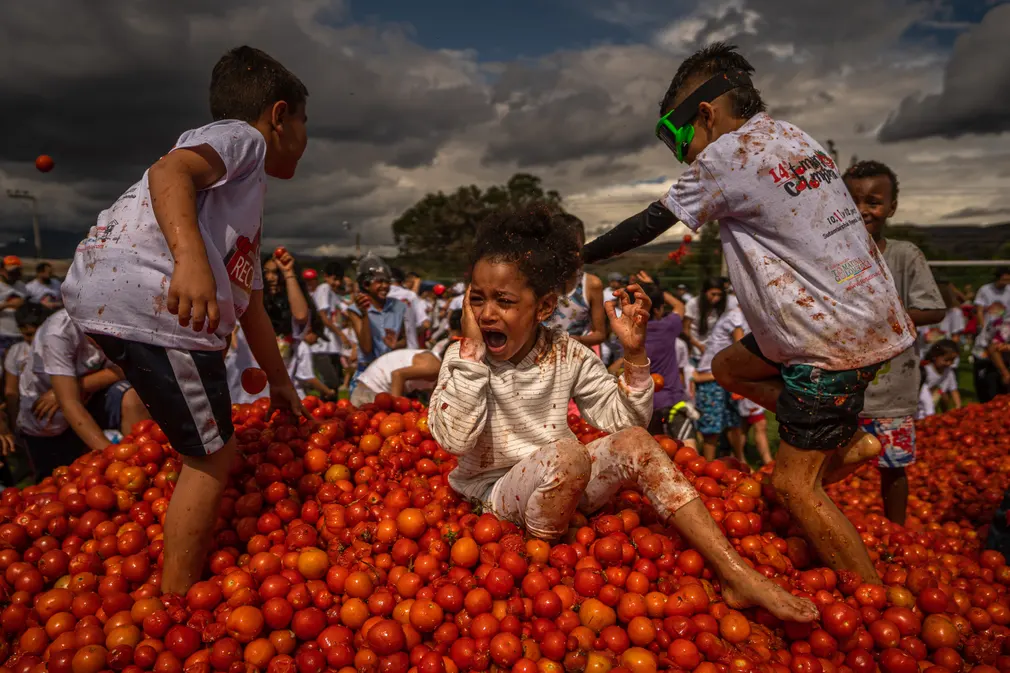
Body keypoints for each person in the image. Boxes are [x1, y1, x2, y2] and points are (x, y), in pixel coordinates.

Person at [580, 43, 914, 583]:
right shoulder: (793, 138)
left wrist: (577, 256)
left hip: (827, 339)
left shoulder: (725, 155)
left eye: (678, 135)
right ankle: (842, 437)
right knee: (730, 368)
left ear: (706, 115)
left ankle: (874, 603)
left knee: (793, 487)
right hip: (863, 317)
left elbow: (648, 223)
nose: (683, 153)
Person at [429, 205, 817, 622]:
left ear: (543, 307)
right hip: (489, 496)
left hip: (559, 479)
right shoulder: (464, 358)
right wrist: (470, 355)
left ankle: (734, 571)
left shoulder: (568, 354)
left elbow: (624, 422)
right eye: (477, 300)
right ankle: (539, 570)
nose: (487, 314)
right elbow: (453, 441)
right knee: (568, 454)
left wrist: (634, 355)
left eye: (503, 301)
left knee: (635, 442)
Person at [61, 46, 311, 595]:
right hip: (154, 302)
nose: (305, 135)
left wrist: (281, 380)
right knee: (214, 459)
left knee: (205, 440)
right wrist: (190, 258)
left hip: (107, 297)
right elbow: (170, 170)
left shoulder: (244, 203)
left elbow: (251, 308)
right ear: (278, 114)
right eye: (303, 120)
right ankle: (175, 601)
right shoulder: (240, 139)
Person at [843, 160, 946, 526]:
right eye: (852, 200)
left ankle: (896, 531)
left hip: (891, 392)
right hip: (840, 389)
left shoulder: (904, 256)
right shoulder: (834, 258)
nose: (862, 210)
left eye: (873, 201)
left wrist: (889, 315)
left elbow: (934, 310)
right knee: (830, 470)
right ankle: (836, 529)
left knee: (893, 467)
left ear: (891, 207)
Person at [16, 310, 151, 479]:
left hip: (87, 398)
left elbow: (125, 369)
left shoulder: (118, 321)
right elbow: (70, 404)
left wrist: (72, 388)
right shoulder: (58, 332)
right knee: (58, 480)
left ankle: (142, 456)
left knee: (131, 396)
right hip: (45, 416)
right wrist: (113, 457)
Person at [643, 285, 698, 448]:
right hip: (673, 401)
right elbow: (680, 306)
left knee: (653, 454)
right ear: (659, 309)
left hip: (645, 406)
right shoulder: (667, 327)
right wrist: (656, 287)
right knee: (689, 454)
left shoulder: (629, 333)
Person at [690, 306, 746, 462]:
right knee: (712, 429)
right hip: (711, 378)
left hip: (724, 377)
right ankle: (708, 469)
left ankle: (739, 464)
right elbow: (740, 348)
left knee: (733, 423)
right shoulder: (736, 315)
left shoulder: (744, 316)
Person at [347, 254, 407, 390]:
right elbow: (366, 348)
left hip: (391, 373)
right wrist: (365, 314)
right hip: (367, 374)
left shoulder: (399, 306)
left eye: (387, 281)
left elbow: (404, 340)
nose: (384, 286)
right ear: (365, 284)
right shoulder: (355, 309)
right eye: (379, 282)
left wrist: (394, 344)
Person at [350, 348, 442, 407]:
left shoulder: (436, 365)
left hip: (376, 389)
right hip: (372, 390)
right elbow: (397, 375)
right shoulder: (435, 367)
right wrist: (396, 412)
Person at [973, 269, 1010, 402]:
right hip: (989, 332)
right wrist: (983, 328)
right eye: (1004, 280)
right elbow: (979, 310)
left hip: (1004, 330)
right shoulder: (985, 290)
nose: (1006, 283)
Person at [682, 278, 734, 364]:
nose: (716, 298)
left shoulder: (722, 305)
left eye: (719, 295)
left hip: (715, 352)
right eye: (713, 294)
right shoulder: (693, 304)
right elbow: (685, 329)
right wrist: (699, 346)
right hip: (696, 352)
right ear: (705, 292)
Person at [917, 340, 961, 419]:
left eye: (953, 360)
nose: (949, 363)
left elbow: (954, 390)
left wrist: (958, 408)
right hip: (919, 407)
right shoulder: (926, 370)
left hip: (933, 405)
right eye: (946, 360)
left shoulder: (949, 372)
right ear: (935, 356)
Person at [0, 256, 27, 360]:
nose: (15, 275)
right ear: (2, 271)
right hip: (2, 334)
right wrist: (7, 304)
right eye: (12, 272)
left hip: (19, 334)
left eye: (17, 271)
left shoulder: (21, 286)